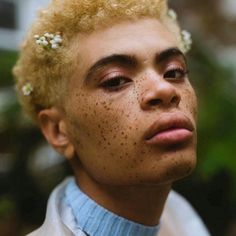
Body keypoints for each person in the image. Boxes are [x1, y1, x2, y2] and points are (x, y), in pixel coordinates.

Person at [13, 0, 210, 235]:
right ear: (58, 130)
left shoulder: (182, 218)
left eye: (174, 72)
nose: (165, 90)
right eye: (116, 80)